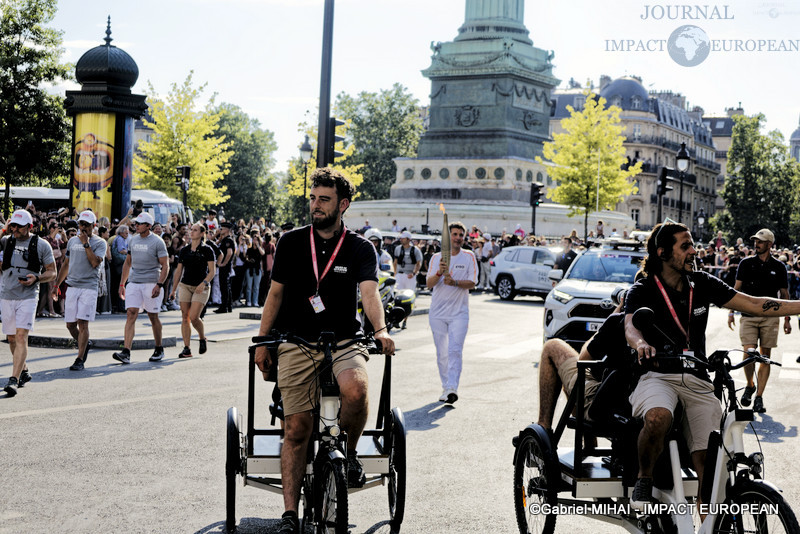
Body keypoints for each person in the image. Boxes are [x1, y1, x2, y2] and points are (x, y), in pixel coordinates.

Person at [252, 167, 395, 534]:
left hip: (344, 340)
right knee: (297, 428)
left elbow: (369, 293)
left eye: (324, 199)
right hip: (296, 340)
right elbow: (276, 293)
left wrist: (379, 331)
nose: (315, 205)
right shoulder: (291, 242)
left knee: (356, 389)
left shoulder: (361, 247)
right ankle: (289, 513)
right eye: (313, 198)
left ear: (343, 204)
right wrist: (263, 340)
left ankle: (349, 452)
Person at [624, 222, 800, 510]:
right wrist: (640, 343)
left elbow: (755, 304)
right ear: (663, 252)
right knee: (657, 417)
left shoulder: (702, 283)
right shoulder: (643, 288)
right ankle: (644, 477)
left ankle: (708, 522)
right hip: (657, 374)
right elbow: (630, 327)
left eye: (692, 244)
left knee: (710, 461)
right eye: (685, 246)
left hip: (696, 377)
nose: (694, 250)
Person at [538, 290, 630, 429]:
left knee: (552, 346)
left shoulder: (619, 320)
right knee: (574, 382)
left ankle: (543, 425)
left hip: (606, 405)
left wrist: (612, 317)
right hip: (638, 402)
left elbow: (584, 357)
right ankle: (588, 442)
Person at [726, 228, 791, 413]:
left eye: (760, 241)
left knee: (765, 357)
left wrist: (787, 319)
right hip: (748, 316)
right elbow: (735, 290)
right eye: (755, 241)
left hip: (771, 317)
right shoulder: (745, 263)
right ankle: (750, 384)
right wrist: (731, 312)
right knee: (748, 353)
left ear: (769, 244)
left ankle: (759, 397)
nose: (756, 244)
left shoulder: (779, 267)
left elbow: (785, 295)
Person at [2, 210, 57, 396]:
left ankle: (13, 379)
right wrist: (3, 229)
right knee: (11, 338)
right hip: (7, 295)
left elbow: (52, 272)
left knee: (20, 337)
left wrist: (37, 278)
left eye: (19, 226)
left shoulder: (42, 245)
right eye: (13, 226)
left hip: (27, 296)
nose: (15, 229)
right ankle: (23, 370)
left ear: (30, 227)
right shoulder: (6, 240)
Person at [426, 221, 477, 404]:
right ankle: (446, 386)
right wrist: (439, 273)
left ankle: (452, 387)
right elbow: (429, 284)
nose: (458, 238)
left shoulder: (469, 256)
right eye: (454, 235)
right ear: (448, 238)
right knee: (442, 352)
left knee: (455, 350)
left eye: (461, 235)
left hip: (459, 313)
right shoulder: (436, 258)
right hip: (438, 313)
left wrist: (455, 282)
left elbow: (472, 283)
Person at [51, 211, 107, 371]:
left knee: (83, 323)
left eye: (87, 225)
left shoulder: (100, 243)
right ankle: (85, 343)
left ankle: (80, 358)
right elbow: (66, 263)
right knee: (70, 325)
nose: (83, 228)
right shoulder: (72, 242)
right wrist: (56, 285)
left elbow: (95, 263)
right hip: (72, 286)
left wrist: (86, 243)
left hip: (88, 287)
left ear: (93, 226)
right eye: (81, 224)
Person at [112, 212, 170, 364]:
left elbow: (165, 265)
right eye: (136, 223)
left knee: (153, 316)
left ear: (149, 226)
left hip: (152, 282)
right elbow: (128, 262)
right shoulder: (133, 240)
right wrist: (122, 284)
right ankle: (126, 352)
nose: (136, 225)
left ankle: (159, 348)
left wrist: (159, 284)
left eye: (139, 223)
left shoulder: (158, 242)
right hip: (134, 282)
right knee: (131, 313)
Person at [168, 223, 215, 358]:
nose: (192, 232)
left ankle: (202, 338)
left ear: (201, 233)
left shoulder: (207, 250)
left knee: (194, 317)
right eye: (191, 230)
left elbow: (212, 271)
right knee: (185, 317)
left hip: (202, 287)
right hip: (185, 285)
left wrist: (204, 282)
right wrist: (173, 289)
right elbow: (178, 272)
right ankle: (187, 348)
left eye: (195, 230)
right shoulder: (184, 250)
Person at [214, 222, 235, 313]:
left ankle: (224, 307)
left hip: (225, 266)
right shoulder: (224, 240)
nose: (220, 230)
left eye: (222, 229)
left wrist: (224, 263)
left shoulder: (228, 241)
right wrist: (219, 239)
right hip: (224, 266)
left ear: (227, 230)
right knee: (226, 286)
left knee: (224, 286)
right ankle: (228, 306)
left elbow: (229, 253)